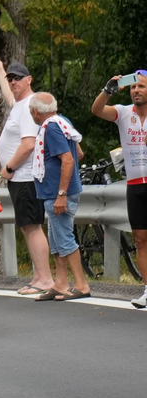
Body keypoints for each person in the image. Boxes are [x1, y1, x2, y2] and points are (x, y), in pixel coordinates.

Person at [0, 58, 55, 295]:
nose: (13, 82)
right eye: (11, 78)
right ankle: (38, 277)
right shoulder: (19, 103)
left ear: (29, 80)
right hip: (19, 178)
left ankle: (46, 279)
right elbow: (9, 96)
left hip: (26, 176)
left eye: (17, 78)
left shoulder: (30, 105)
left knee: (32, 226)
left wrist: (8, 167)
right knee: (28, 227)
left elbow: (28, 144)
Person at [91, 70, 147, 308]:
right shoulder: (124, 112)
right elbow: (96, 110)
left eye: (141, 87)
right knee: (141, 239)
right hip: (135, 184)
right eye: (133, 87)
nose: (136, 90)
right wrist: (108, 90)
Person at [28, 93, 90, 301]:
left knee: (64, 239)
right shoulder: (62, 122)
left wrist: (62, 193)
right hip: (53, 192)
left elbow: (68, 159)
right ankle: (61, 283)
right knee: (56, 240)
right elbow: (78, 152)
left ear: (35, 111)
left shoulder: (51, 128)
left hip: (58, 193)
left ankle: (81, 285)